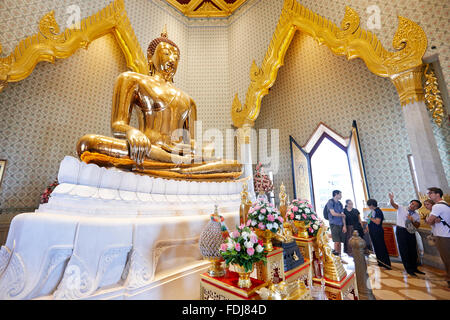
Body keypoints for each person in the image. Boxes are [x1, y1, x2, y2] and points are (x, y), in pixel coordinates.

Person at [388, 192, 424, 276]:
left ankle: (415, 268)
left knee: (413, 250)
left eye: (415, 206)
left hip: (411, 231)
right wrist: (391, 199)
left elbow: (417, 225)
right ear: (410, 203)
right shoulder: (402, 208)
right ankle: (408, 269)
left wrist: (412, 220)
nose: (412, 206)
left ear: (417, 208)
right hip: (401, 231)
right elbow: (393, 205)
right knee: (404, 249)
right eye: (412, 203)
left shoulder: (416, 215)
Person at [425, 187, 450, 288]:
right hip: (446, 234)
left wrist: (428, 219)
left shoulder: (437, 206)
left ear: (438, 194)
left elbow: (429, 221)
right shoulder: (446, 205)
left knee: (447, 258)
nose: (429, 195)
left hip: (443, 236)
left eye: (430, 193)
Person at [366, 199, 391, 270]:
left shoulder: (378, 211)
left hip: (377, 232)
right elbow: (369, 221)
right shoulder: (372, 211)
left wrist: (370, 218)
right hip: (373, 231)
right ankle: (380, 263)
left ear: (371, 205)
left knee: (381, 247)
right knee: (376, 247)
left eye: (368, 205)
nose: (368, 206)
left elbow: (377, 222)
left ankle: (386, 264)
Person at [326, 190, 347, 263]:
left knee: (340, 242)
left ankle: (340, 257)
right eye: (340, 194)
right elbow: (333, 213)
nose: (341, 196)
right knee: (336, 242)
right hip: (334, 224)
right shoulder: (330, 202)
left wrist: (344, 226)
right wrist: (342, 215)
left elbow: (343, 215)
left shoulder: (340, 203)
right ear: (336, 194)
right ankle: (336, 259)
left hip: (341, 224)